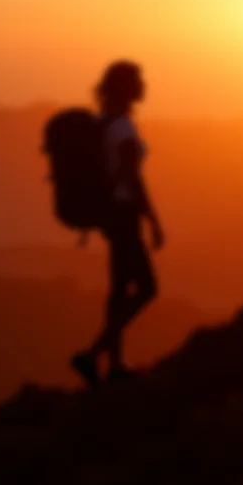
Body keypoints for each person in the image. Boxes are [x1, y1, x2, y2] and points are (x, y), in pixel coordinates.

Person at [71, 61, 165, 385]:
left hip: (112, 214)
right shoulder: (123, 128)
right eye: (139, 80)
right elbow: (133, 179)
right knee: (147, 288)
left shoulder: (104, 121)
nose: (144, 85)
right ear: (126, 87)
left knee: (119, 291)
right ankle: (92, 355)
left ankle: (114, 366)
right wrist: (153, 220)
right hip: (125, 215)